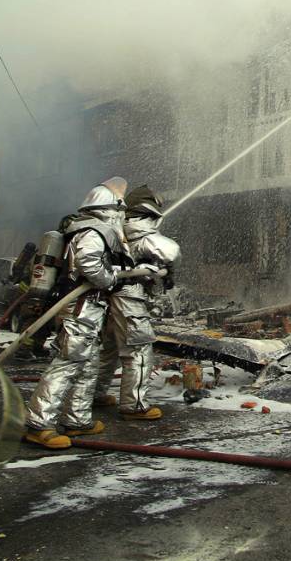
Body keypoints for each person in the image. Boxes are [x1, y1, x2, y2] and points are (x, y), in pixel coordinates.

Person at [24, 177, 128, 449]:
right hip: (81, 307)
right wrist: (111, 279)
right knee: (67, 364)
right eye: (119, 211)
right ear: (108, 209)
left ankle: (77, 420)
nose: (122, 216)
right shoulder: (93, 231)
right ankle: (38, 423)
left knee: (88, 364)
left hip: (90, 307)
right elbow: (88, 264)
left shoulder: (86, 229)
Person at [93, 186, 179, 419]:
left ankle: (96, 393)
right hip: (128, 296)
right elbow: (171, 251)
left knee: (109, 348)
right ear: (147, 211)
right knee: (139, 350)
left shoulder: (115, 228)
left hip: (108, 296)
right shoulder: (139, 229)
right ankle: (135, 405)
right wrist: (167, 269)